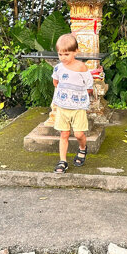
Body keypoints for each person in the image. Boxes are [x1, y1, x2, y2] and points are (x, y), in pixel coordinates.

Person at [52, 33, 94, 173]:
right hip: (62, 107)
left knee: (78, 134)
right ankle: (62, 161)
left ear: (76, 51)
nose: (63, 58)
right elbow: (56, 82)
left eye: (67, 54)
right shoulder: (58, 68)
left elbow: (89, 86)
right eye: (60, 54)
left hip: (78, 107)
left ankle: (82, 148)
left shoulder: (81, 67)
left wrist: (78, 95)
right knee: (64, 134)